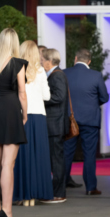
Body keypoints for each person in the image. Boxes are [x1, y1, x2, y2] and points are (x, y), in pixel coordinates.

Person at [0, 28, 28, 217]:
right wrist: (24, 114)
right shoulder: (17, 64)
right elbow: (22, 93)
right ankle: (7, 211)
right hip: (10, 111)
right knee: (8, 164)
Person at [63, 49, 109, 195]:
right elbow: (105, 97)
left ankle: (60, 186)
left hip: (70, 120)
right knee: (89, 154)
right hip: (90, 120)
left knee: (66, 153)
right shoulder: (95, 75)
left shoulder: (65, 73)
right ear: (89, 61)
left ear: (75, 58)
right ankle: (90, 187)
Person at [13, 40, 53, 206]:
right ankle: (35, 195)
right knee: (38, 156)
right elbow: (47, 97)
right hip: (38, 116)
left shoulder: (15, 69)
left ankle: (23, 194)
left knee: (22, 156)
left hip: (22, 115)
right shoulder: (41, 72)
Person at [41, 48, 70, 204]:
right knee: (56, 159)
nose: (40, 62)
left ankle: (58, 193)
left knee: (56, 159)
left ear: (49, 61)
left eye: (42, 59)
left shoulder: (56, 75)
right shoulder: (56, 74)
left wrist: (41, 98)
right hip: (55, 123)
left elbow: (59, 96)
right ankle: (57, 191)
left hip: (55, 124)